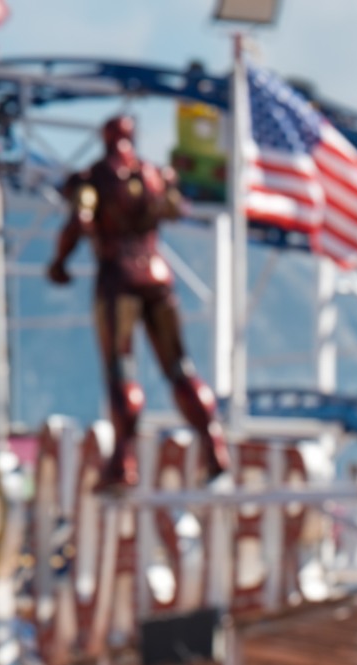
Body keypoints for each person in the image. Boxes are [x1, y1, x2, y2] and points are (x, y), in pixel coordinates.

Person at [47, 115, 229, 492]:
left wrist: (60, 261)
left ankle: (122, 461)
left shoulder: (95, 178)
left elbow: (80, 219)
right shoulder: (154, 175)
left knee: (121, 367)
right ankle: (213, 445)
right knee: (179, 366)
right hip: (157, 272)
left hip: (119, 275)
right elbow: (175, 209)